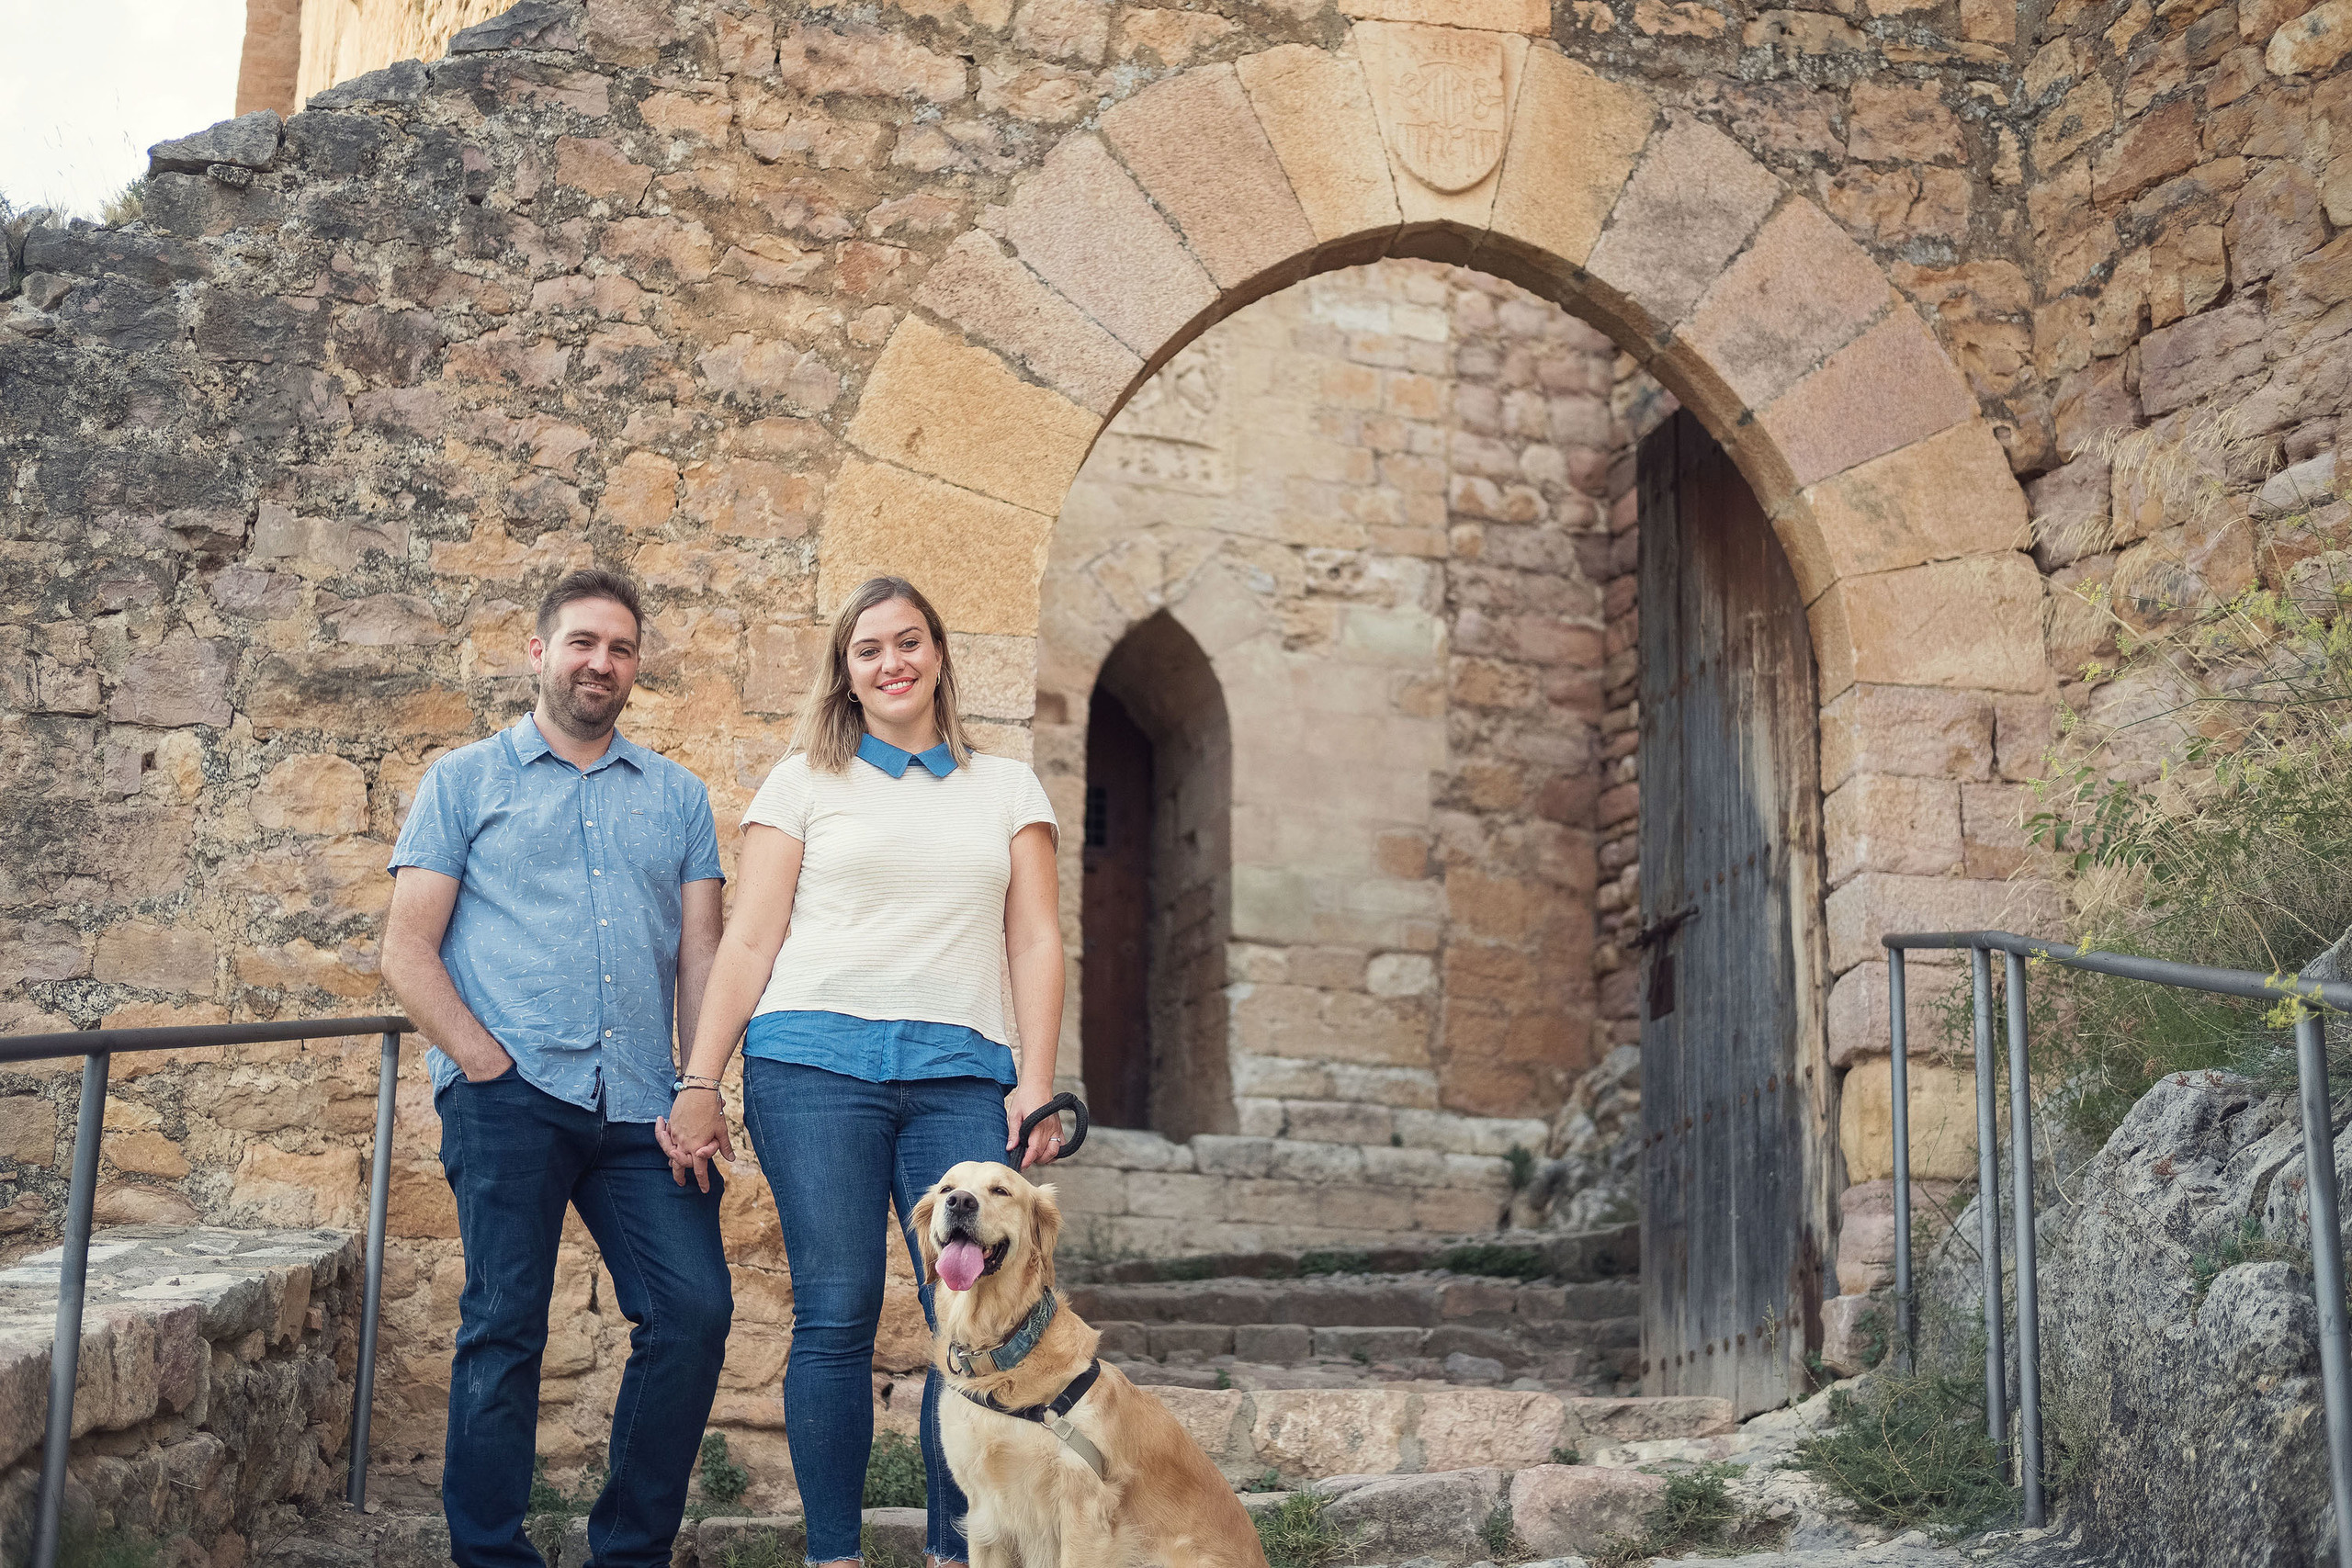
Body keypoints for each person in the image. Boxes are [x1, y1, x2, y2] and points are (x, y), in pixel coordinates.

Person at [660, 575, 1066, 1568]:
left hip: (961, 1074)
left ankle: (952, 1553)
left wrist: (1038, 1081)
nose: (893, 663)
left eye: (909, 642)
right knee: (835, 1310)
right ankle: (832, 1556)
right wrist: (700, 1078)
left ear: (938, 655)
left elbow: (1036, 941)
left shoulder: (1007, 786)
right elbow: (750, 941)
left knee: (966, 1316)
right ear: (844, 673)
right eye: (868, 650)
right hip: (812, 1068)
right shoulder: (802, 781)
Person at [380, 568, 731, 1568]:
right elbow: (407, 948)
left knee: (693, 1310)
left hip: (643, 1108)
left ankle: (628, 1552)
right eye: (582, 643)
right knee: (504, 1330)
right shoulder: (464, 781)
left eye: (620, 649)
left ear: (634, 668)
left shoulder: (678, 798)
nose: (601, 663)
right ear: (539, 653)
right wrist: (484, 1061)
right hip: (511, 1098)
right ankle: (490, 1556)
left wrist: (700, 1085)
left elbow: (702, 954)